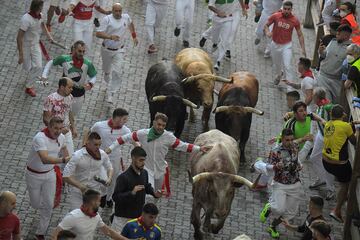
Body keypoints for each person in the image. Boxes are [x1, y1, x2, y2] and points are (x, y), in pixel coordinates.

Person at [106, 112, 210, 192]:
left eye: (163, 125)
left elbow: (182, 146)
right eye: (159, 124)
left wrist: (199, 148)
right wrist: (111, 148)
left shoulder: (168, 137)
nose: (160, 127)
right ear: (154, 122)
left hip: (160, 170)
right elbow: (124, 138)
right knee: (148, 194)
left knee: (157, 194)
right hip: (146, 169)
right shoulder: (143, 134)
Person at [26, 117, 70, 240]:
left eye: (61, 128)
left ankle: (40, 233)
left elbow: (65, 150)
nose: (58, 131)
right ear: (49, 127)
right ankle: (42, 207)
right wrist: (62, 160)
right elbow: (44, 159)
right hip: (34, 175)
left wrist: (69, 161)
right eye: (55, 128)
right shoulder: (39, 138)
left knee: (49, 204)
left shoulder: (61, 137)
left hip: (50, 174)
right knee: (35, 204)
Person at [259, 128, 303, 239]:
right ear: (282, 139)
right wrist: (275, 166)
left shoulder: (295, 146)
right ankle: (270, 206)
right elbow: (267, 166)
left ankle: (272, 227)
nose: (290, 142)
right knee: (279, 209)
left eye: (292, 139)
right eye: (287, 140)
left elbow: (296, 159)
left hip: (295, 183)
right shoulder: (275, 150)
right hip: (280, 184)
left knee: (290, 213)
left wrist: (299, 164)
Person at [95, 3, 138, 103]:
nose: (118, 13)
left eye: (120, 11)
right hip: (106, 49)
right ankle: (106, 81)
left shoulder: (126, 17)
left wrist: (134, 36)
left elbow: (130, 24)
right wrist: (110, 37)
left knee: (117, 72)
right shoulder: (107, 19)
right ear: (112, 10)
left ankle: (111, 93)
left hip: (119, 50)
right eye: (116, 11)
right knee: (107, 71)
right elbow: (98, 33)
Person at [112, 147, 162, 231]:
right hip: (122, 219)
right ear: (133, 158)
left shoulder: (144, 173)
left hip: (137, 218)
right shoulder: (123, 177)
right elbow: (116, 197)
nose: (143, 163)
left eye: (144, 160)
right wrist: (132, 192)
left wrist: (154, 193)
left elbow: (146, 186)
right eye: (141, 160)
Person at [41, 40, 97, 116]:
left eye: (83, 51)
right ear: (74, 50)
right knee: (57, 115)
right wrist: (44, 75)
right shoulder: (64, 59)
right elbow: (51, 62)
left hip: (78, 95)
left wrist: (90, 84)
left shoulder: (88, 63)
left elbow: (93, 76)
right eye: (79, 51)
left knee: (72, 117)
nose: (82, 54)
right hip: (63, 93)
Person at [90, 108, 131, 208]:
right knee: (102, 179)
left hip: (115, 160)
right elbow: (90, 134)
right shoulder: (99, 126)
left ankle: (109, 198)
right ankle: (103, 196)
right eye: (124, 119)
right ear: (117, 118)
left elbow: (132, 139)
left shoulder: (125, 130)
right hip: (100, 158)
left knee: (113, 180)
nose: (126, 122)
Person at [322, 104, 356, 222]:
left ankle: (342, 196)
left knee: (342, 181)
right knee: (346, 184)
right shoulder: (346, 126)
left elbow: (339, 132)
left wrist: (350, 126)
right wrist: (354, 130)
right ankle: (336, 210)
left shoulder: (328, 124)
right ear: (343, 115)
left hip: (325, 162)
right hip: (339, 164)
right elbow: (354, 142)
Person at [63, 132, 114, 210]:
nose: (98, 147)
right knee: (77, 215)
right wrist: (80, 186)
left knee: (91, 217)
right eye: (95, 145)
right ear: (88, 143)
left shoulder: (102, 154)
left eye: (99, 145)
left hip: (94, 192)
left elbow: (109, 167)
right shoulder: (77, 156)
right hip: (78, 192)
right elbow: (66, 176)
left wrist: (109, 178)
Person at [51, 189, 128, 240]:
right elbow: (55, 235)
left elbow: (108, 232)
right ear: (93, 203)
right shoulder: (73, 217)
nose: (100, 203)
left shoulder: (96, 216)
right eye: (99, 201)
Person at [17, 0, 54, 97]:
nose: (42, 8)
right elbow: (19, 37)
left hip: (35, 44)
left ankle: (29, 86)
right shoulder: (26, 19)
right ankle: (30, 72)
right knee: (27, 67)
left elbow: (43, 25)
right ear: (38, 7)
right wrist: (21, 54)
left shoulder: (40, 15)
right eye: (41, 6)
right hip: (26, 46)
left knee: (38, 66)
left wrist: (49, 36)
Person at [264, 1, 306, 86]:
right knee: (277, 65)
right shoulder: (276, 16)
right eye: (285, 9)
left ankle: (289, 88)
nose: (286, 11)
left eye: (288, 9)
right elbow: (266, 25)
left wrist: (303, 48)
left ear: (291, 9)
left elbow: (300, 34)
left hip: (287, 46)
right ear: (282, 8)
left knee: (287, 65)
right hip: (275, 44)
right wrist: (267, 32)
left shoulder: (295, 20)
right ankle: (279, 75)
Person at [199, 0, 247, 70]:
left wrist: (243, 9)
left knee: (225, 39)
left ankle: (218, 61)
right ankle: (206, 37)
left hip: (229, 18)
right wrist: (218, 12)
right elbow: (210, 5)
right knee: (215, 39)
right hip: (217, 19)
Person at [307, 87, 335, 201]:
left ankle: (331, 189)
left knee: (328, 164)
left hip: (328, 139)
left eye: (313, 96)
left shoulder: (327, 108)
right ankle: (322, 178)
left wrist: (316, 118)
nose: (312, 98)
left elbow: (328, 124)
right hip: (320, 135)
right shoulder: (321, 105)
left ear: (317, 98)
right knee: (314, 158)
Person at [317, 24, 352, 103]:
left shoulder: (350, 49)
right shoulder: (333, 42)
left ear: (346, 36)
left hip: (337, 81)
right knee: (326, 102)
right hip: (323, 76)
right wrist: (321, 51)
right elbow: (325, 54)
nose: (336, 35)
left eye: (339, 34)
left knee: (335, 104)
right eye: (337, 33)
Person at [43, 77, 76, 155]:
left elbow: (70, 112)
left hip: (66, 132)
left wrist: (73, 127)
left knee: (70, 157)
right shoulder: (51, 99)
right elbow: (45, 119)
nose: (72, 89)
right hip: (54, 134)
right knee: (53, 157)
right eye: (69, 87)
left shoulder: (70, 97)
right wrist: (58, 130)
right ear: (62, 87)